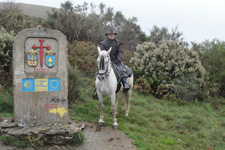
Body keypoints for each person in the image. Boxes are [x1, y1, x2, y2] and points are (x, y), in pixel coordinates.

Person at [93, 29, 132, 99]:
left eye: (113, 34)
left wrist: (118, 59)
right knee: (99, 72)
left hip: (116, 61)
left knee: (121, 70)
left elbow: (120, 52)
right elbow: (102, 53)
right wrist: (105, 60)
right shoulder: (103, 43)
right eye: (110, 34)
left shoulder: (118, 43)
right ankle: (96, 89)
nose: (112, 35)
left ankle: (125, 84)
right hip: (106, 61)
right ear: (107, 35)